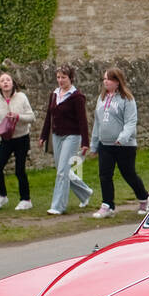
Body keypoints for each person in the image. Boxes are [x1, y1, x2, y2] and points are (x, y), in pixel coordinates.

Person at [88, 67, 149, 218]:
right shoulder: (101, 98)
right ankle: (108, 205)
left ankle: (144, 197)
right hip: (105, 144)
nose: (105, 82)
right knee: (104, 175)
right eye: (104, 79)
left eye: (108, 79)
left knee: (128, 174)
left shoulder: (127, 99)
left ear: (117, 82)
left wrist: (122, 138)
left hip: (124, 145)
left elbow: (131, 121)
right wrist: (94, 144)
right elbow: (97, 123)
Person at [39, 65, 93, 215]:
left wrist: (85, 143)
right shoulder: (54, 94)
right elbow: (48, 117)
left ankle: (58, 206)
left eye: (64, 77)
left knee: (62, 172)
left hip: (72, 136)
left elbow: (83, 121)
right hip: (56, 135)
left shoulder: (77, 97)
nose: (60, 80)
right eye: (58, 77)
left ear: (70, 78)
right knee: (63, 170)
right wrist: (43, 136)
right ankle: (85, 192)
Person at [0, 72, 36, 210]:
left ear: (13, 83)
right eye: (2, 80)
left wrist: (18, 116)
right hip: (6, 139)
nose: (5, 82)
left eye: (8, 80)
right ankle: (2, 196)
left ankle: (26, 200)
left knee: (19, 170)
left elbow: (32, 117)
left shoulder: (21, 97)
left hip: (22, 138)